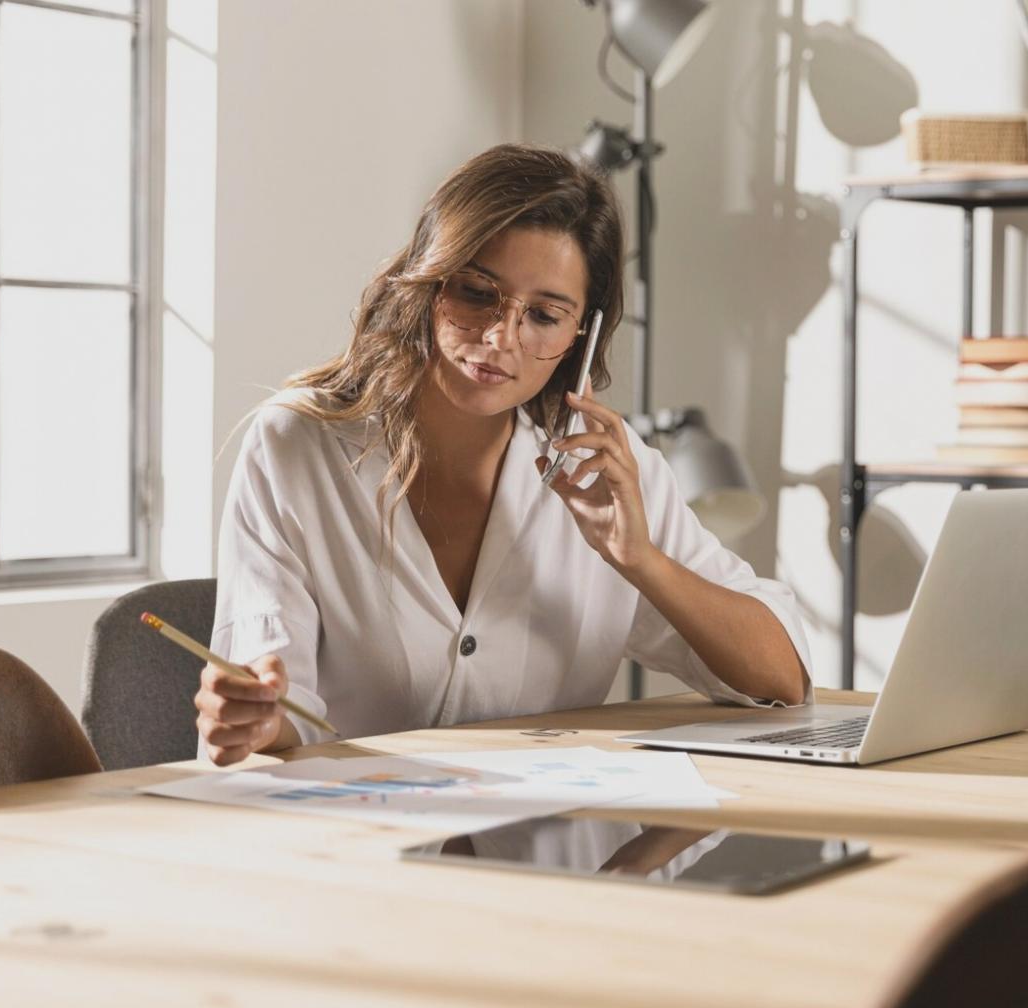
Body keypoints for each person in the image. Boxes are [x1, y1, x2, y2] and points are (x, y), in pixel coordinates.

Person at [195, 143, 811, 766]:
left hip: (550, 848)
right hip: (355, 841)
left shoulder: (608, 473)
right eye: (476, 292)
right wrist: (253, 719)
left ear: (580, 336)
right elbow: (275, 705)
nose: (500, 337)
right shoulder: (298, 447)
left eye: (544, 315)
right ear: (430, 282)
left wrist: (640, 560)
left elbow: (782, 681)